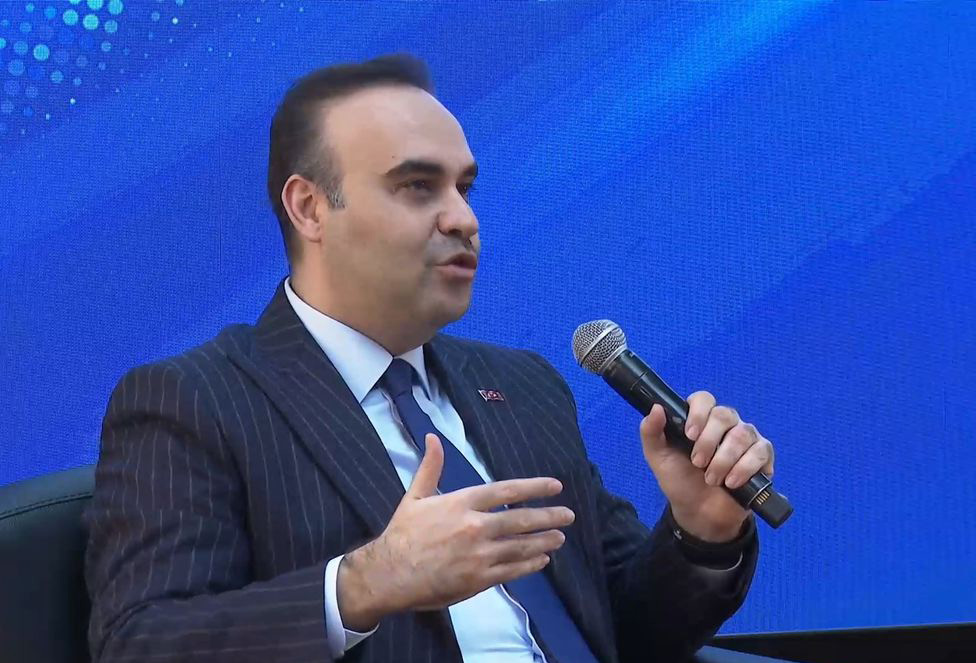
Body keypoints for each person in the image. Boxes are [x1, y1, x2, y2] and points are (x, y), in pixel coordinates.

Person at [84, 54, 775, 663]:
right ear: (310, 208)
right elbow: (141, 643)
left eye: (464, 188)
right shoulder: (196, 401)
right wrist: (363, 584)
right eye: (418, 186)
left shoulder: (523, 386)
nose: (463, 219)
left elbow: (623, 634)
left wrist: (702, 529)